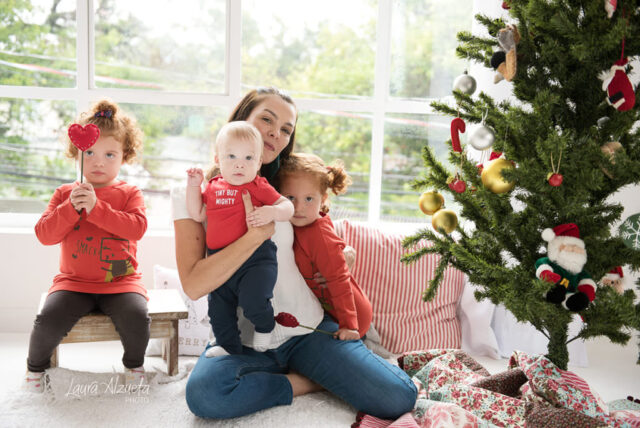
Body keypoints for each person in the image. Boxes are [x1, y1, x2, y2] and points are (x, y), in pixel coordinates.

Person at [174, 87, 417, 419]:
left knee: (398, 397)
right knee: (205, 396)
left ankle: (314, 369)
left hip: (307, 330)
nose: (276, 133)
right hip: (242, 340)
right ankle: (307, 381)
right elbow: (193, 284)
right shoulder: (196, 193)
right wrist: (255, 236)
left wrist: (336, 258)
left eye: (286, 129)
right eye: (267, 120)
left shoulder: (283, 190)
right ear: (241, 119)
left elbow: (319, 229)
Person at [25, 99, 149, 392]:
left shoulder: (130, 192)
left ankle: (134, 366)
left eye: (109, 154)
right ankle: (35, 370)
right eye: (89, 152)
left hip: (120, 282)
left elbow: (137, 228)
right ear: (76, 153)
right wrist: (70, 207)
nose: (98, 161)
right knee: (47, 319)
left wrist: (97, 209)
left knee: (136, 317)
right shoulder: (66, 192)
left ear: (124, 157)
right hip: (73, 282)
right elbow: (44, 235)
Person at [185, 121, 294, 353]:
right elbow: (197, 213)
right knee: (218, 310)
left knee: (254, 301)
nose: (239, 165)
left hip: (255, 260)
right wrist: (194, 186)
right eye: (231, 156)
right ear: (217, 160)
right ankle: (228, 347)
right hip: (219, 261)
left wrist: (272, 211)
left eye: (248, 158)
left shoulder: (258, 186)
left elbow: (287, 207)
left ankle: (265, 326)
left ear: (258, 163)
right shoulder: (213, 187)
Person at [277, 152, 372, 340]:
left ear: (323, 200)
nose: (299, 207)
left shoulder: (319, 235)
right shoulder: (289, 225)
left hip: (351, 316)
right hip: (324, 309)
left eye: (309, 199)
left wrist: (350, 326)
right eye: (290, 198)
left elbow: (339, 280)